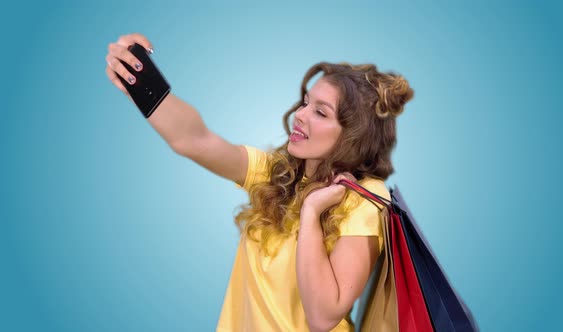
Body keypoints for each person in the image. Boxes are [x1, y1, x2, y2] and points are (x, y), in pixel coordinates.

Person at [105, 33, 414, 332]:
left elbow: (323, 318)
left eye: (320, 112)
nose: (301, 115)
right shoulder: (274, 175)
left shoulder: (363, 198)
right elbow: (193, 139)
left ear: (354, 136)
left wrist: (311, 212)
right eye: (305, 103)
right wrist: (141, 81)